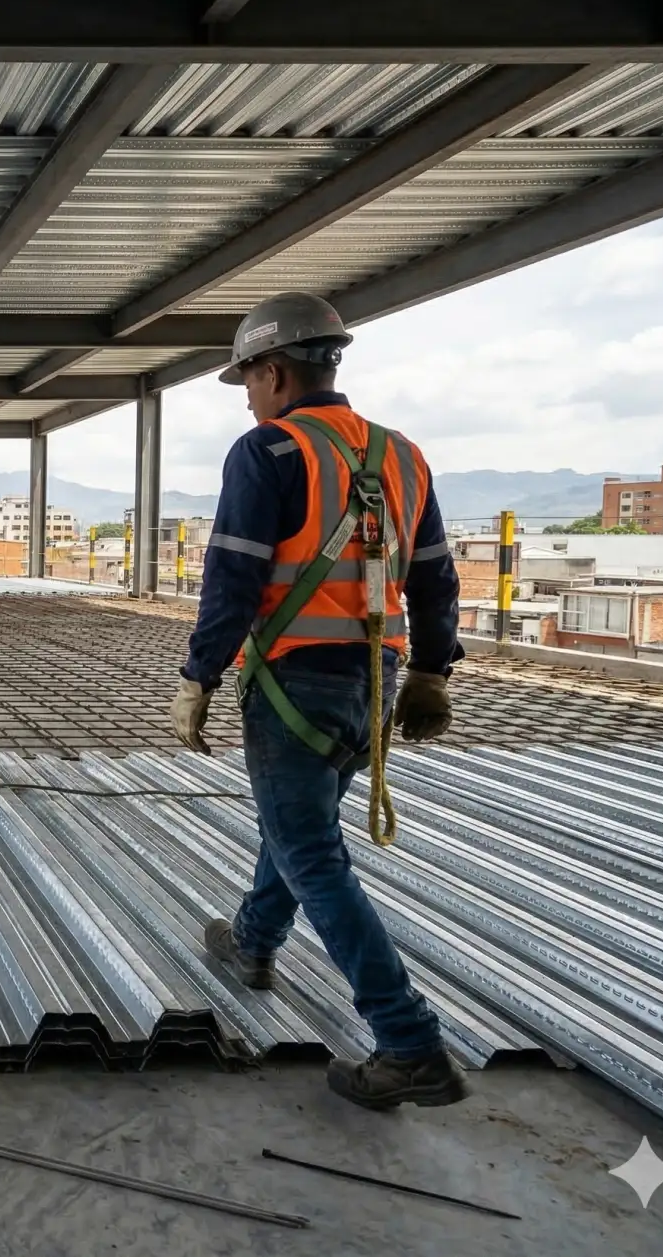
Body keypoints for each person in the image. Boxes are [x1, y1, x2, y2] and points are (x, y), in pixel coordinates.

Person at [171, 291, 469, 1111]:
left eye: (247, 382)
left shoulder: (268, 450)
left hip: (294, 681)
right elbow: (437, 576)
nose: (248, 397)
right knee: (298, 829)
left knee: (310, 853)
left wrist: (199, 675)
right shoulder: (403, 455)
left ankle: (408, 1041)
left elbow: (232, 575)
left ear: (273, 370)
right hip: (372, 683)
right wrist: (433, 672)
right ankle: (254, 941)